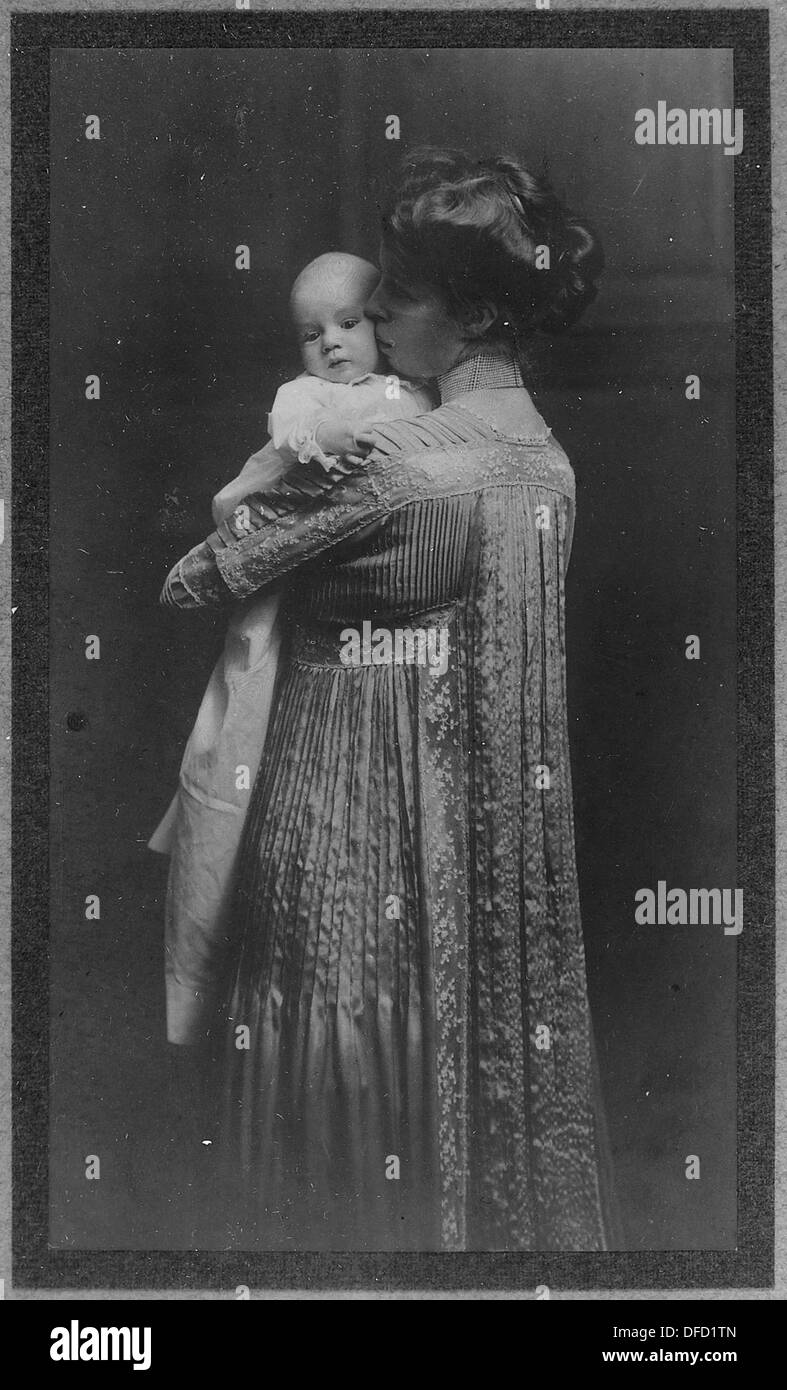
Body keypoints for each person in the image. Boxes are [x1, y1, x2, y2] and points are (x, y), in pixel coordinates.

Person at [160, 148, 619, 1252]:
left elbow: (191, 581)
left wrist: (254, 490)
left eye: (396, 298)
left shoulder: (398, 463)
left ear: (462, 314)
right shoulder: (547, 462)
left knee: (342, 1064)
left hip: (347, 830)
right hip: (475, 857)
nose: (374, 317)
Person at [152, 253, 434, 1046]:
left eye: (349, 324)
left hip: (352, 617)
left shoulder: (407, 396)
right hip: (280, 585)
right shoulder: (308, 398)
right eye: (312, 335)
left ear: (380, 323)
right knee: (237, 736)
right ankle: (201, 999)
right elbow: (267, 476)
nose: (333, 346)